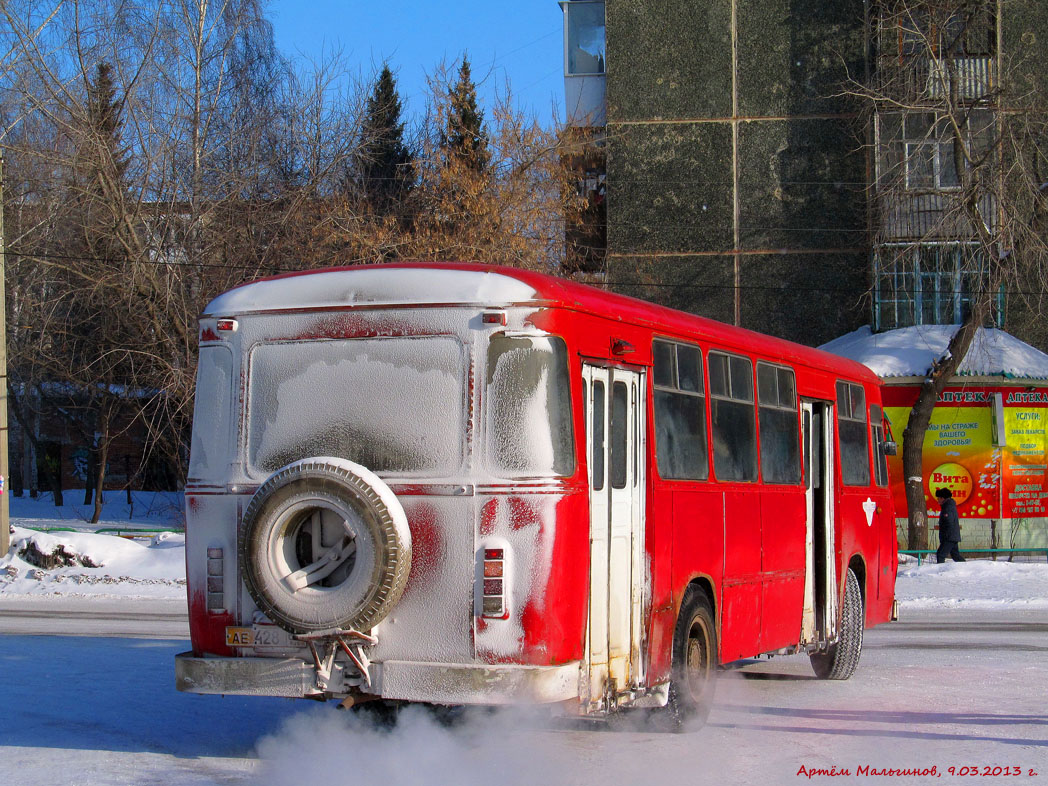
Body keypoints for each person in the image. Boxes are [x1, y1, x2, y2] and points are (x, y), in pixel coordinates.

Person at [934, 487, 965, 563]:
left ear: (943, 498)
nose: (938, 500)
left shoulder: (947, 508)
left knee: (940, 554)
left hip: (949, 537)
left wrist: (944, 532)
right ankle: (966, 568)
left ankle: (940, 572)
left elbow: (949, 522)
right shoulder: (948, 506)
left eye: (939, 498)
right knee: (955, 555)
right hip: (952, 536)